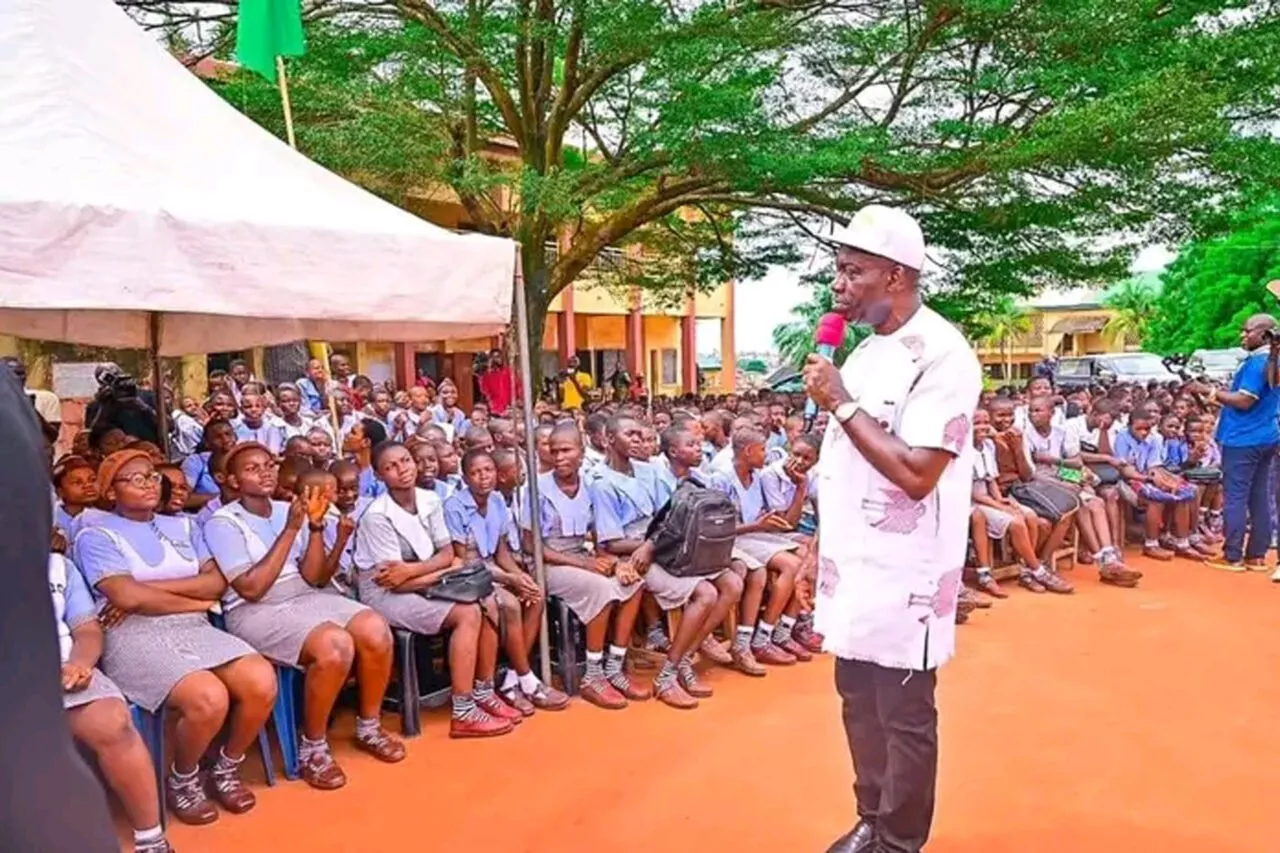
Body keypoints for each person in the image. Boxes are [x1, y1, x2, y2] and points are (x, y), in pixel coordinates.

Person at [801, 205, 980, 853]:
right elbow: (854, 449)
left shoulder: (944, 354)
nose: (838, 284)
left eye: (852, 271)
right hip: (853, 563)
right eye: (838, 270)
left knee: (902, 711)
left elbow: (917, 472)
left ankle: (900, 840)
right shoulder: (867, 351)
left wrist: (839, 402)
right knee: (856, 696)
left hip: (907, 571)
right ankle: (871, 816)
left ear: (897, 276)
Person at [74, 450, 277, 824]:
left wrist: (150, 593)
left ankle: (226, 766)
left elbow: (215, 582)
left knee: (261, 680)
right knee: (207, 698)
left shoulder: (184, 526)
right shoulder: (95, 535)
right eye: (134, 479)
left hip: (195, 627)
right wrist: (194, 601)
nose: (149, 483)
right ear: (110, 491)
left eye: (151, 476)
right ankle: (182, 778)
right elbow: (126, 598)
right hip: (133, 636)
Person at [203, 443, 405, 789]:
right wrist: (292, 530)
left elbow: (316, 578)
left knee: (375, 627)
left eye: (269, 465)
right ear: (233, 481)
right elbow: (251, 589)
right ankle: (313, 748)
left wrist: (313, 529)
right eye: (252, 469)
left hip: (305, 596)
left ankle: (368, 726)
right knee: (335, 645)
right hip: (256, 610)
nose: (265, 472)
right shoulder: (222, 522)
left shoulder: (287, 509)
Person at [354, 442, 519, 737]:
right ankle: (463, 711)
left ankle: (483, 691)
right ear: (379, 476)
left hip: (424, 575)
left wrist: (423, 569)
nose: (402, 469)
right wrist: (443, 569)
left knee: (487, 599)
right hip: (385, 593)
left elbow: (445, 554)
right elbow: (396, 582)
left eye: (405, 461)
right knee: (467, 613)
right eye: (391, 467)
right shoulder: (377, 516)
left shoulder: (429, 499)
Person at [589, 416, 743, 709]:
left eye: (639, 434)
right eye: (629, 434)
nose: (637, 439)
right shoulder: (601, 482)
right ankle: (668, 674)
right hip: (632, 555)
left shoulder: (649, 472)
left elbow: (670, 515)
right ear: (609, 440)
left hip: (664, 545)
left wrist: (655, 543)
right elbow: (610, 542)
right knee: (706, 593)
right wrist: (650, 545)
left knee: (732, 583)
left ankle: (685, 656)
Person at [50, 543, 174, 853]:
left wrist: (79, 664)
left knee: (113, 722)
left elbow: (87, 630)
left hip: (63, 666)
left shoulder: (58, 566)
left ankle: (151, 840)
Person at [521, 423, 646, 709]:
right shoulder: (537, 488)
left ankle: (614, 664)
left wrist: (617, 564)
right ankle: (592, 675)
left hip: (582, 556)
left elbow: (600, 537)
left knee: (634, 582)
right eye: (554, 452)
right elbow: (531, 546)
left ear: (581, 452)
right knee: (599, 588)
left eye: (566, 450)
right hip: (547, 564)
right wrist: (585, 563)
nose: (559, 457)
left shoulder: (591, 485)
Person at [445, 449, 569, 712]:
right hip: (467, 575)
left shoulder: (498, 501)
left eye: (488, 470)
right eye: (475, 473)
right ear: (465, 478)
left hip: (494, 569)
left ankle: (512, 678)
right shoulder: (455, 506)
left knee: (534, 596)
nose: (483, 478)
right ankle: (528, 680)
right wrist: (508, 578)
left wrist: (520, 577)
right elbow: (463, 561)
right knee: (510, 604)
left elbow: (501, 551)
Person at [1189, 315, 1280, 572]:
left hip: (1243, 439)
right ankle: (1257, 556)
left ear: (1264, 336)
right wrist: (1211, 395)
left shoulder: (1258, 362)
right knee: (1259, 496)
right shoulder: (1273, 361)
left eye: (1247, 331)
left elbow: (1244, 400)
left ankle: (1232, 556)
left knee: (1236, 496)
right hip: (1267, 437)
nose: (1242, 335)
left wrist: (1208, 392)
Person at [477, 348, 515, 416]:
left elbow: (517, 387)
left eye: (498, 356)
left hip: (510, 408)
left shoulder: (509, 372)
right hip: (494, 410)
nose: (497, 359)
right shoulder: (486, 375)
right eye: (494, 357)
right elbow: (484, 391)